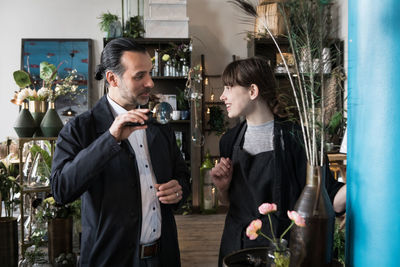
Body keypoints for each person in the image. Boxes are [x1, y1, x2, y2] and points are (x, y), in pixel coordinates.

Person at [50, 38, 191, 267]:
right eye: (139, 76)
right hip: (109, 260)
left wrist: (179, 190)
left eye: (150, 73)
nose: (150, 83)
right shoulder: (80, 128)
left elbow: (182, 176)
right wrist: (110, 138)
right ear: (112, 79)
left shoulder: (159, 125)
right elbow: (60, 190)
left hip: (164, 257)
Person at [210, 57, 346, 265]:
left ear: (253, 91)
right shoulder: (229, 141)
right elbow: (228, 203)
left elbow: (329, 197)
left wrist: (368, 175)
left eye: (229, 87)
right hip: (235, 247)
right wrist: (223, 188)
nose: (222, 96)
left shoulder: (300, 140)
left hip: (283, 251)